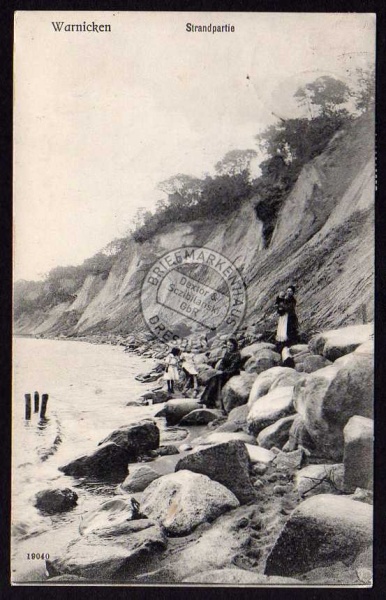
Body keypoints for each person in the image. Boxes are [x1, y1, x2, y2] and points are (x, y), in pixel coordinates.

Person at [199, 338, 242, 413]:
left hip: (232, 372)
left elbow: (234, 366)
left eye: (231, 346)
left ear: (235, 346)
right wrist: (220, 369)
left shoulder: (237, 354)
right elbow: (223, 362)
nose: (229, 347)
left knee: (218, 380)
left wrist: (224, 372)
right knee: (213, 378)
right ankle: (205, 399)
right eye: (228, 345)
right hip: (224, 371)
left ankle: (212, 401)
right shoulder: (227, 352)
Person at [275, 284, 299, 356]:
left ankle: (288, 346)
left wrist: (281, 305)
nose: (289, 292)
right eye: (288, 291)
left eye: (290, 291)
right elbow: (278, 305)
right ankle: (282, 346)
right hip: (284, 317)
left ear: (293, 292)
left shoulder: (292, 300)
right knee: (282, 330)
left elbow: (288, 308)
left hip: (290, 318)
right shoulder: (285, 298)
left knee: (288, 331)